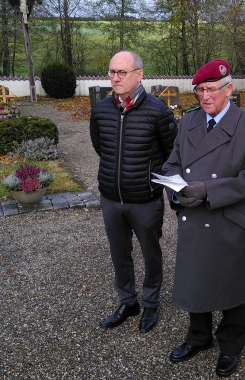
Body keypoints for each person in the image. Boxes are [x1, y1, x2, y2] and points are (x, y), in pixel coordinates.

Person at [162, 59, 245, 377]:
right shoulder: (190, 122)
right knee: (196, 278)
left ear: (229, 89)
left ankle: (232, 344)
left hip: (227, 218)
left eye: (211, 89)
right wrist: (175, 189)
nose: (205, 97)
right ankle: (199, 337)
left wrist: (207, 189)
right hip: (194, 216)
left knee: (228, 284)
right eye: (200, 91)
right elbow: (172, 164)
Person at [90, 51, 177, 333]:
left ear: (139, 75)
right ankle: (128, 302)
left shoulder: (158, 111)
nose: (115, 78)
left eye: (122, 72)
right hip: (111, 198)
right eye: (111, 72)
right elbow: (100, 147)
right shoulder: (101, 110)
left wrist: (148, 181)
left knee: (150, 253)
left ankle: (151, 302)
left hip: (145, 200)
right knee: (119, 253)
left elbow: (170, 152)